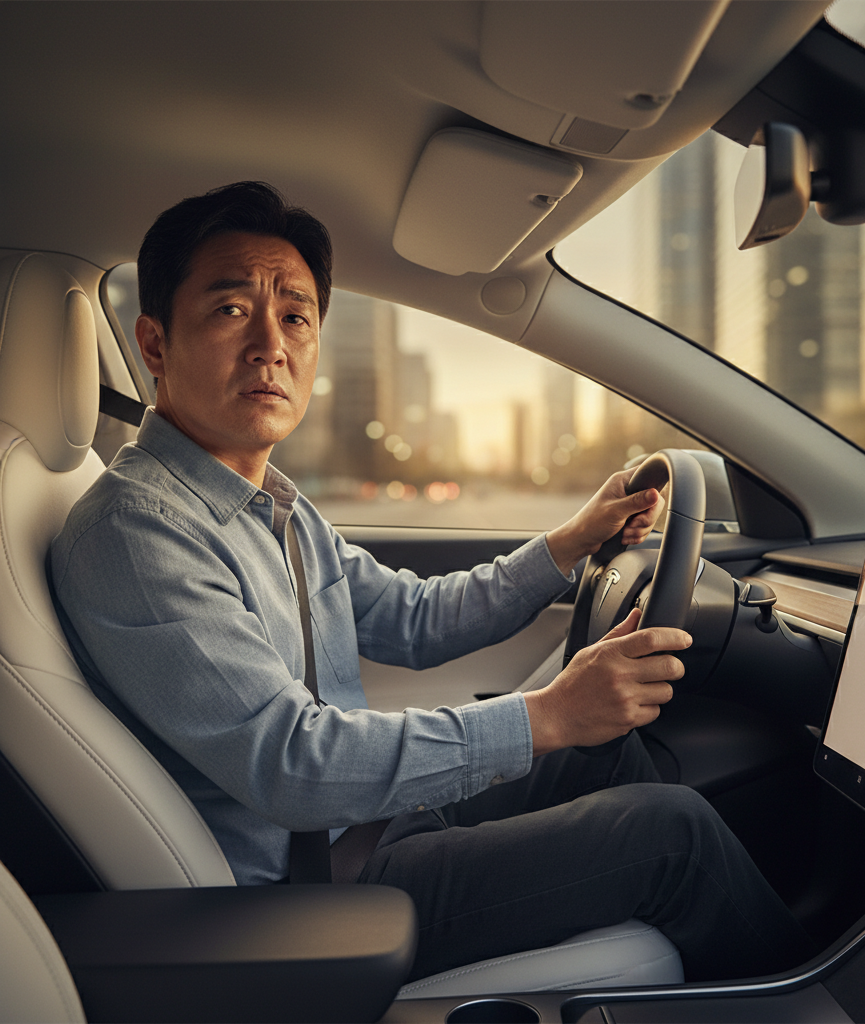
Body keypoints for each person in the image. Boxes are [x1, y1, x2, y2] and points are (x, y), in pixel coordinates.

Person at [50, 182, 812, 983]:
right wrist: (549, 714)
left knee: (609, 756)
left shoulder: (270, 503)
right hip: (309, 896)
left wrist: (567, 543)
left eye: (297, 316)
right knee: (672, 834)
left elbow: (411, 619)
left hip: (365, 825)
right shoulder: (137, 532)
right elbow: (293, 765)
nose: (272, 344)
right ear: (155, 343)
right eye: (232, 309)